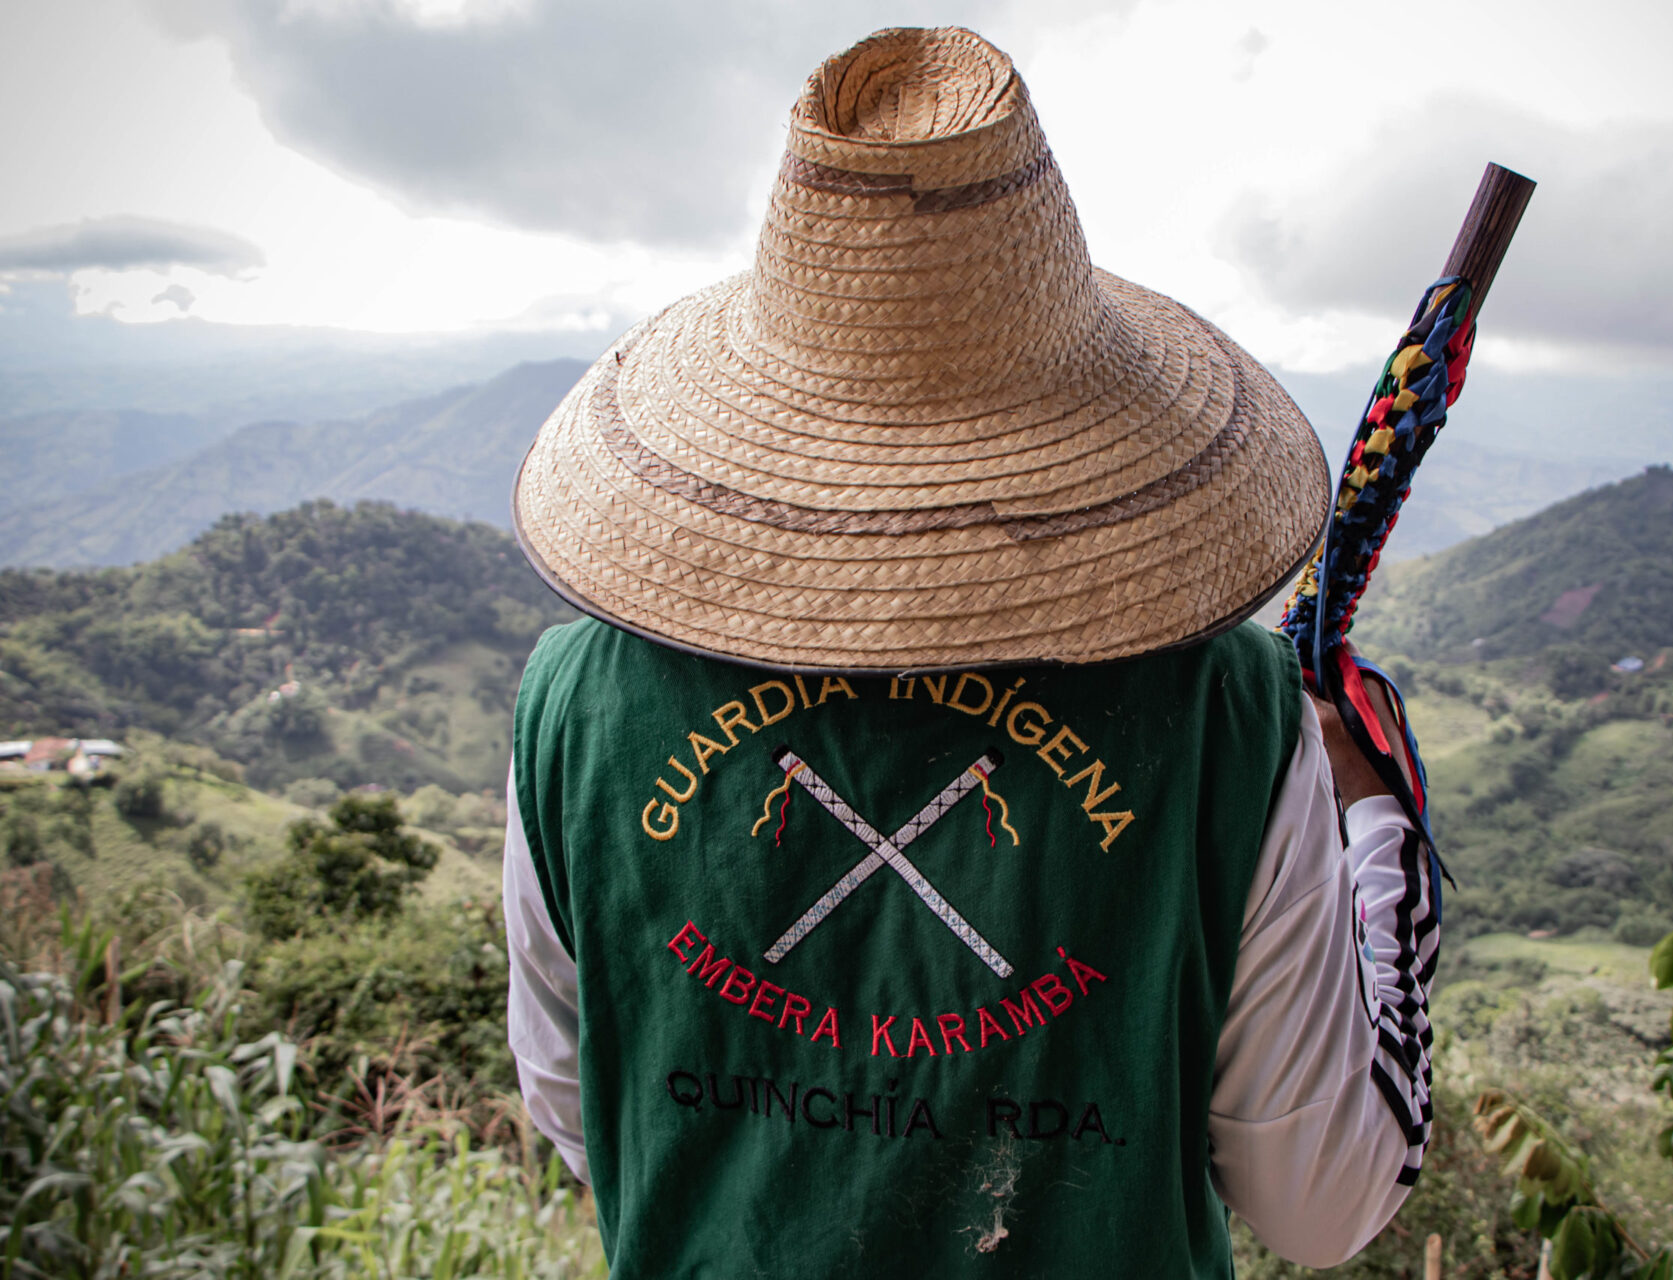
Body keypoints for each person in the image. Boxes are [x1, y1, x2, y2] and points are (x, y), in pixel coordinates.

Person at [502, 26, 1439, 1277]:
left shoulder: (574, 704)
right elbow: (1322, 1205)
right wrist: (1377, 827)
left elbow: (583, 1109)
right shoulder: (1230, 715)